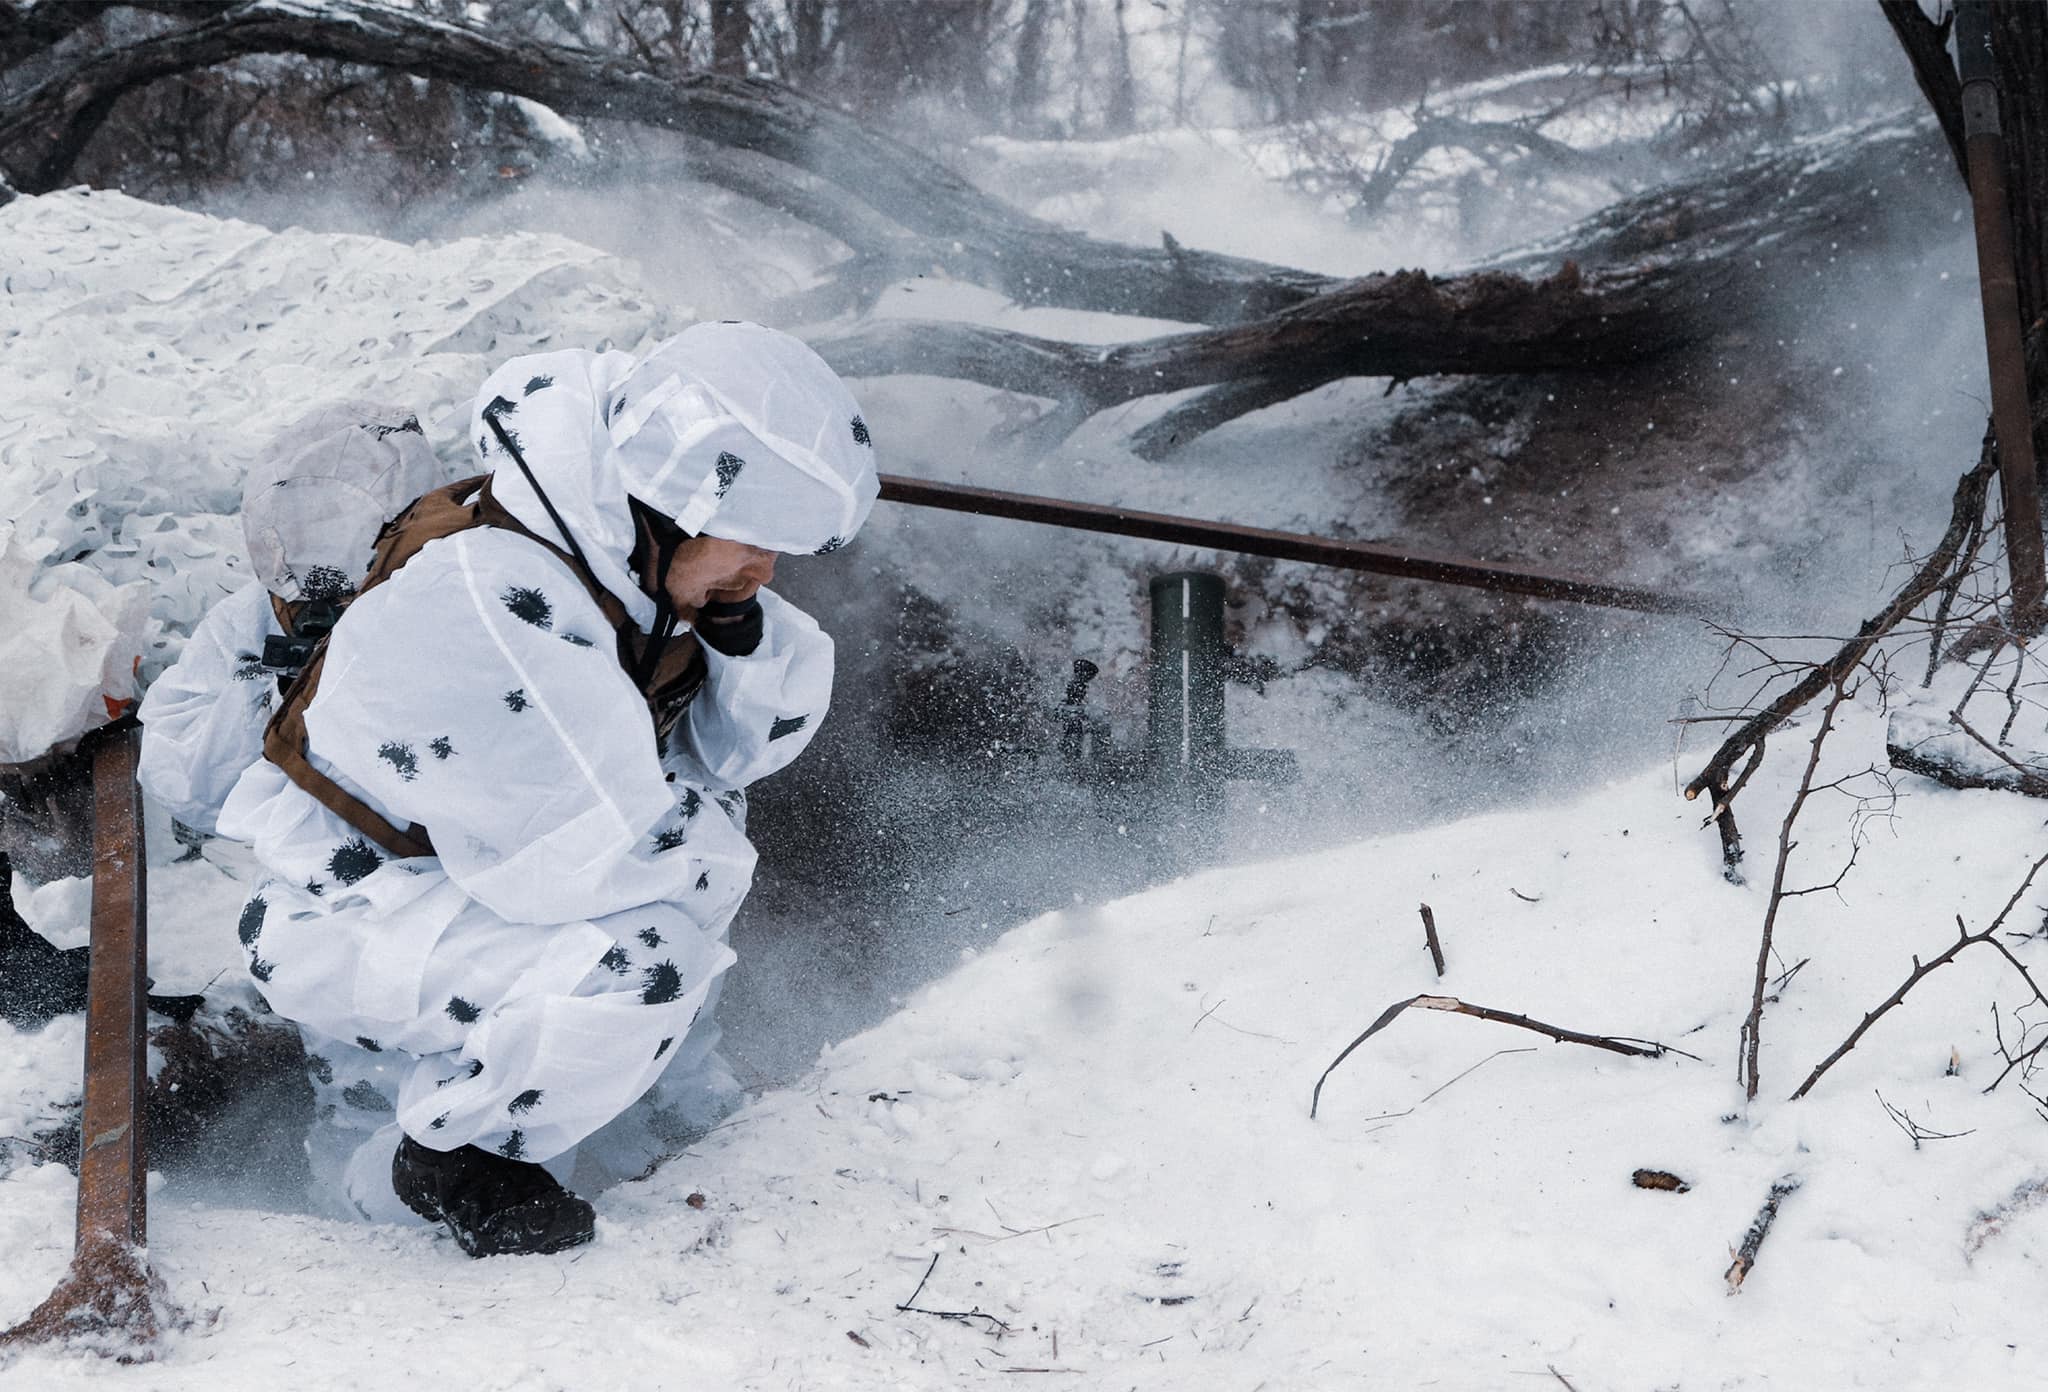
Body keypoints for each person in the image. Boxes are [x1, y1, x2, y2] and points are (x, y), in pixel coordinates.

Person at [213, 321, 878, 1257]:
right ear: (672, 505)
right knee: (645, 963)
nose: (763, 574)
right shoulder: (489, 594)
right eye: (753, 544)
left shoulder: (618, 554)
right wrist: (703, 869)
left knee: (669, 922)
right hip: (362, 904)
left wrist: (738, 647)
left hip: (468, 874)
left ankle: (615, 1133)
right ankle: (449, 1166)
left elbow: (736, 758)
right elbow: (591, 852)